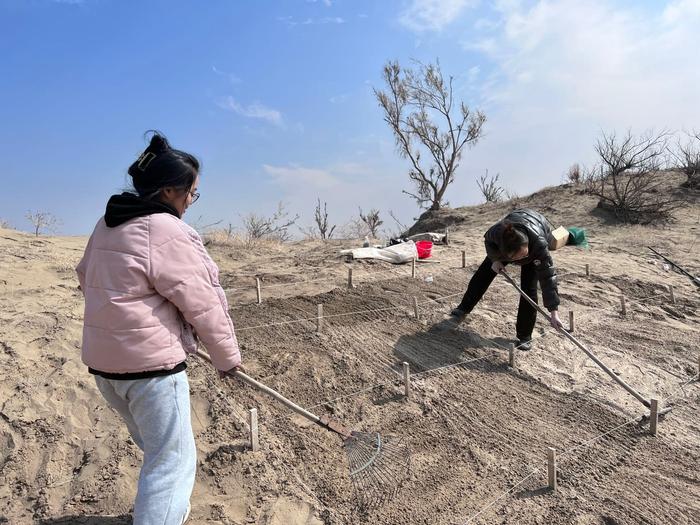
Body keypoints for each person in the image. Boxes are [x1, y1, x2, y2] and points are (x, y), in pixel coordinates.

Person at [76, 132, 242, 525]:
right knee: (172, 462)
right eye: (191, 192)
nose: (190, 201)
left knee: (157, 451)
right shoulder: (166, 231)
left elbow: (86, 278)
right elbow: (202, 302)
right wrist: (227, 359)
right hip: (150, 372)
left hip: (105, 368)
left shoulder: (107, 224)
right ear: (169, 190)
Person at [450, 208, 563, 350]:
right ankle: (463, 308)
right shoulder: (497, 234)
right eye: (518, 257)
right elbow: (488, 240)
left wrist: (554, 312)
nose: (523, 258)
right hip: (508, 240)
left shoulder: (539, 246)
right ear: (506, 254)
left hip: (538, 227)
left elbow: (548, 278)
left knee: (529, 289)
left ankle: (524, 336)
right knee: (483, 274)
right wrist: (495, 260)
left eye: (524, 254)